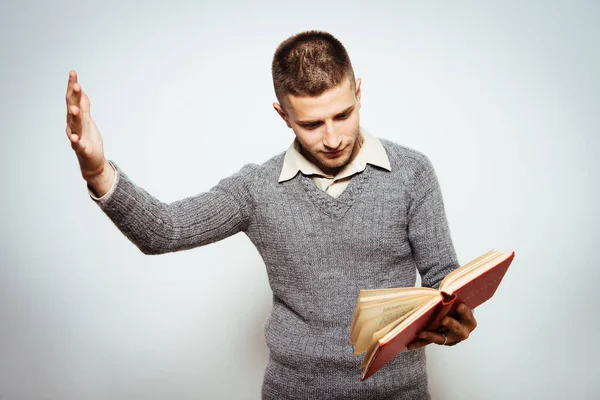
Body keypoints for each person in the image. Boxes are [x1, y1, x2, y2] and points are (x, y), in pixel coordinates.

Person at [65, 30, 477, 400]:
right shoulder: (256, 189)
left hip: (398, 392)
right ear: (283, 115)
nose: (332, 138)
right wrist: (98, 171)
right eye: (312, 124)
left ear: (359, 93)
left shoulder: (412, 172)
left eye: (343, 115)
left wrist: (453, 319)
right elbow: (165, 231)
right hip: (293, 392)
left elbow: (443, 277)